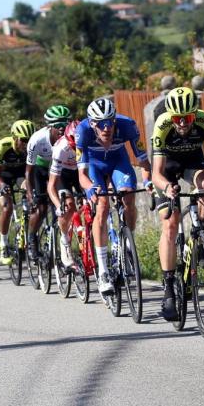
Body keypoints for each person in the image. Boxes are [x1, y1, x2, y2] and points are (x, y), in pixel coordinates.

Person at [150, 87, 204, 319]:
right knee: (170, 225)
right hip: (167, 169)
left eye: (188, 118)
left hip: (193, 163)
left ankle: (199, 234)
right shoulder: (163, 124)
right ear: (171, 116)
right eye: (177, 118)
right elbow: (156, 173)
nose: (182, 123)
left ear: (195, 114)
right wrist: (166, 187)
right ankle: (168, 289)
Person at [75, 97, 151, 295]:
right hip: (94, 167)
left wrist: (148, 181)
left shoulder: (128, 126)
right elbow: (82, 175)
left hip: (119, 162)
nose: (107, 128)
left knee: (128, 196)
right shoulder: (82, 131)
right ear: (92, 123)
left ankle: (128, 243)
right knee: (102, 205)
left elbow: (143, 162)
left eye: (110, 121)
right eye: (101, 124)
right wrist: (90, 188)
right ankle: (103, 271)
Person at [25, 108, 69, 260]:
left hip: (59, 169)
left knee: (62, 206)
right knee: (41, 208)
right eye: (57, 125)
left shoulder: (70, 136)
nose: (62, 128)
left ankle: (62, 247)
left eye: (65, 123)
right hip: (40, 169)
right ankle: (31, 239)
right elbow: (29, 171)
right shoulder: (37, 139)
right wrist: (30, 194)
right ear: (49, 126)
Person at [0, 119, 33, 264]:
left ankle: (29, 239)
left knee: (31, 195)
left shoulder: (31, 147)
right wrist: (2, 186)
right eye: (23, 140)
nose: (26, 144)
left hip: (20, 175)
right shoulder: (3, 145)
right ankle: (3, 244)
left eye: (29, 140)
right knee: (7, 207)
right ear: (15, 137)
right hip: (3, 177)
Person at [47, 121, 84, 269]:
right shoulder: (60, 148)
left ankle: (88, 242)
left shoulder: (88, 142)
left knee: (91, 205)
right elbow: (51, 186)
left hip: (80, 172)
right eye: (73, 146)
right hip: (63, 175)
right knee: (67, 206)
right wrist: (58, 206)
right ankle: (65, 241)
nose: (76, 149)